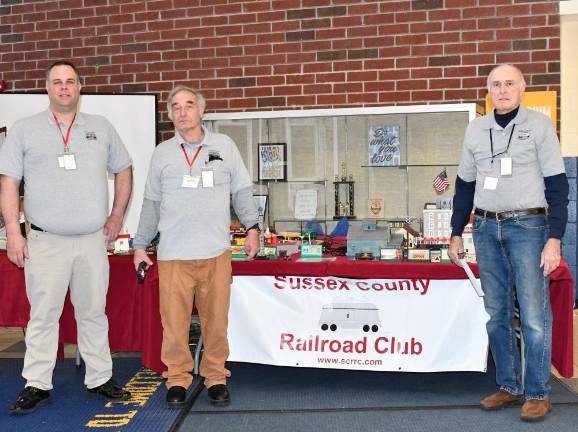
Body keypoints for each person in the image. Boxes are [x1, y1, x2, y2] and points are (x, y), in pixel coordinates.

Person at [0, 60, 133, 414]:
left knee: (94, 313)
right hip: (45, 242)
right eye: (57, 82)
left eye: (70, 81)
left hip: (92, 241)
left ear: (79, 88)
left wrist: (117, 215)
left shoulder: (100, 127)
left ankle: (100, 378)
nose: (64, 88)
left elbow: (124, 168)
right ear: (47, 88)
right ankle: (37, 384)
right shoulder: (24, 130)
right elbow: (9, 182)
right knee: (43, 315)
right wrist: (14, 231)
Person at [448, 64, 568, 422]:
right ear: (488, 91)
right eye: (496, 84)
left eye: (509, 84)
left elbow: (558, 186)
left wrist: (554, 239)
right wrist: (457, 231)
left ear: (522, 88)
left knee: (533, 316)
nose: (502, 89)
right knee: (497, 314)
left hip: (529, 227)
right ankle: (509, 386)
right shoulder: (475, 130)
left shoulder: (540, 127)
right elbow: (464, 186)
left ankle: (537, 392)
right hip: (485, 228)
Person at [132, 85, 259, 408]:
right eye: (175, 106)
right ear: (171, 114)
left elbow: (242, 191)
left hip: (216, 253)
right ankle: (177, 378)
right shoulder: (162, 153)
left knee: (216, 322)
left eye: (189, 105)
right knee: (173, 326)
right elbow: (151, 203)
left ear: (201, 111)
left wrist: (253, 228)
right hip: (173, 255)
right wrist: (140, 245)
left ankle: (215, 376)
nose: (182, 111)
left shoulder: (224, 146)